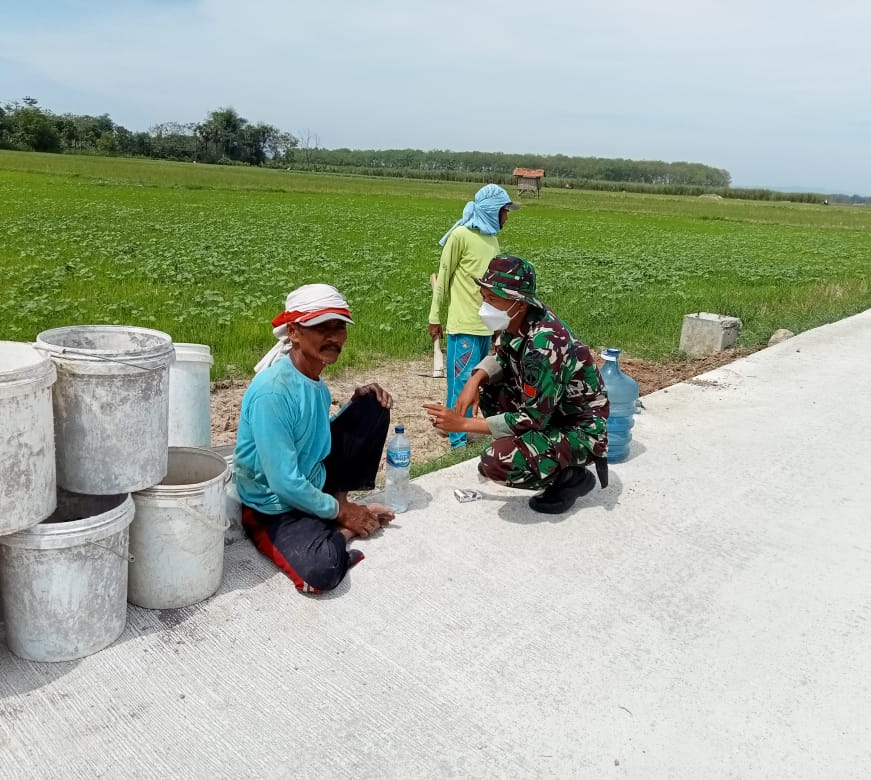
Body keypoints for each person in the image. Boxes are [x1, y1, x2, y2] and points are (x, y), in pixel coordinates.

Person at [235, 283, 394, 594]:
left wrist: (352, 406)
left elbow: (310, 438)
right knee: (320, 573)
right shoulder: (273, 392)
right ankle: (340, 526)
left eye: (340, 328)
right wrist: (345, 516)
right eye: (322, 327)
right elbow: (284, 482)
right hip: (273, 504)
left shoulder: (316, 384)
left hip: (310, 475)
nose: (334, 338)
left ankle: (336, 502)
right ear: (294, 332)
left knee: (372, 405)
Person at [423, 255, 610, 514]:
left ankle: (569, 478)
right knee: (489, 386)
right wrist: (474, 380)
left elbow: (532, 418)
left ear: (519, 304)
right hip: (552, 414)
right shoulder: (515, 320)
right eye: (484, 297)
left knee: (496, 461)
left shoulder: (544, 344)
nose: (485, 306)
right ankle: (530, 449)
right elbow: (501, 354)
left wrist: (463, 424)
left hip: (580, 430)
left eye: (493, 299)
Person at [429, 183, 519, 449]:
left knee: (471, 381)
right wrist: (435, 317)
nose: (507, 216)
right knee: (462, 382)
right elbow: (443, 279)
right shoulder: (460, 236)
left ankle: (448, 426)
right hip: (464, 325)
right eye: (505, 211)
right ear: (492, 211)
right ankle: (458, 441)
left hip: (485, 326)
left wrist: (500, 323)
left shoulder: (491, 239)